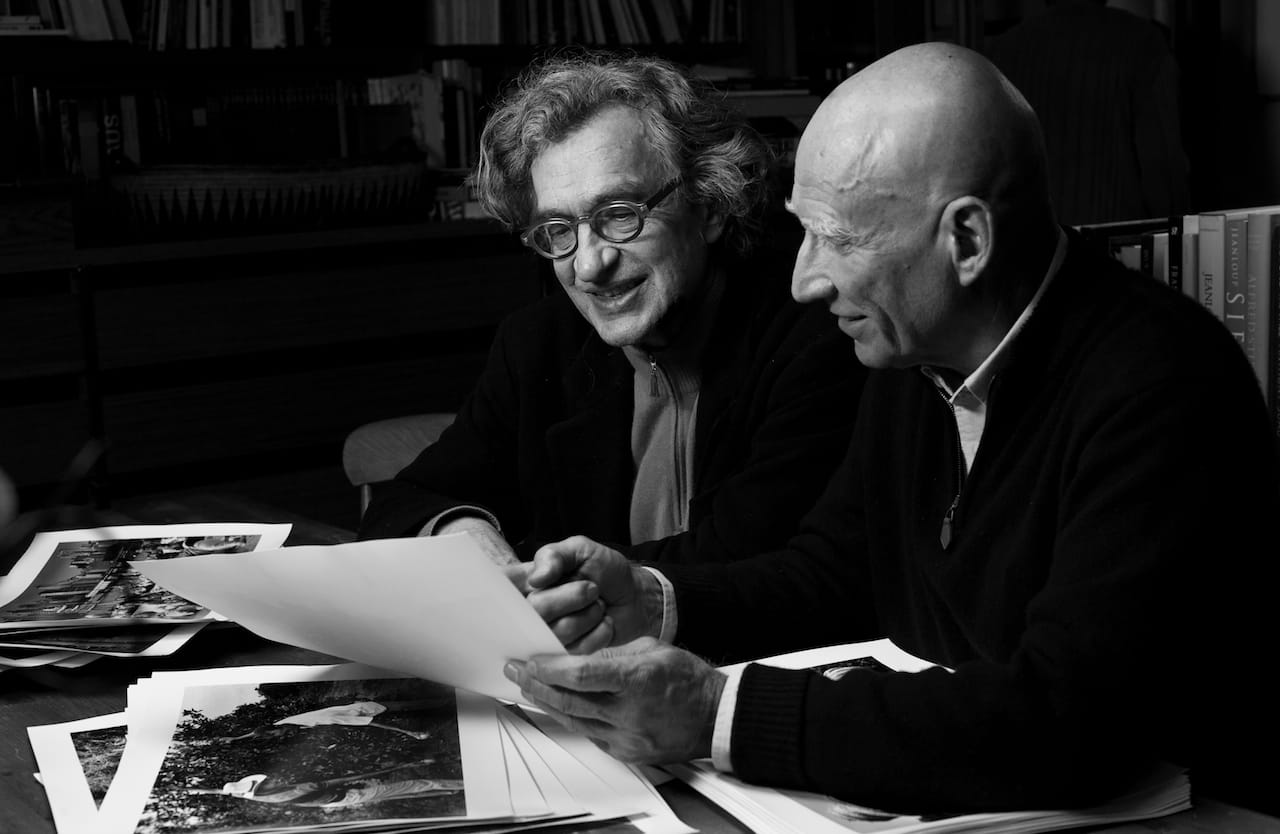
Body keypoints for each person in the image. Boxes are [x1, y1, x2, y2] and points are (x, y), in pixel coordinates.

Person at [503, 42, 1280, 815]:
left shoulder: (1162, 382)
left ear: (966, 241)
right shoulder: (912, 355)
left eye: (837, 239)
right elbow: (834, 576)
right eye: (801, 234)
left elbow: (1067, 722)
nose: (804, 280)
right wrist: (653, 598)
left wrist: (717, 713)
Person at [357, 52, 865, 571]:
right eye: (557, 230)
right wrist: (462, 530)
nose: (588, 264)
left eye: (620, 215)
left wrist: (534, 576)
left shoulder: (814, 339)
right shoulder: (537, 346)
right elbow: (406, 500)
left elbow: (739, 563)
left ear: (708, 205)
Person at [981, 0, 1190, 225]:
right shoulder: (1142, 43)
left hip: (1031, 243)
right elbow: (1164, 175)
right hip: (1119, 244)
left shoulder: (1000, 51)